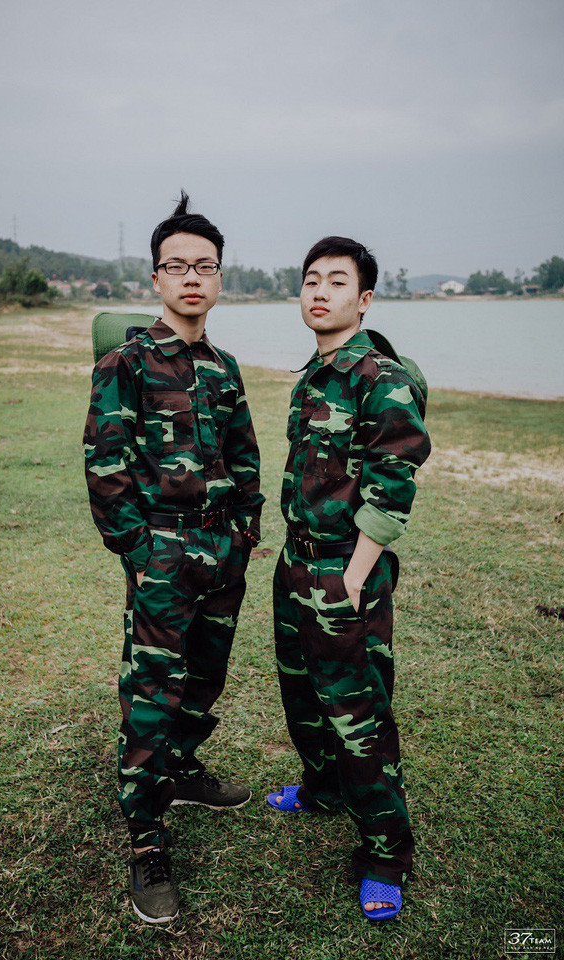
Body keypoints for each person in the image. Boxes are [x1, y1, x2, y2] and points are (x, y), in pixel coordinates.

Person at [83, 191, 264, 924]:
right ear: (156, 278)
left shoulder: (224, 367)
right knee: (153, 691)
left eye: (205, 265)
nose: (192, 277)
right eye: (177, 265)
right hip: (161, 550)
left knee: (205, 675)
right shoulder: (126, 362)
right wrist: (138, 549)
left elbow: (245, 456)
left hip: (222, 550)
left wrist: (245, 531)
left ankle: (183, 769)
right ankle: (147, 838)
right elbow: (105, 466)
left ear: (219, 277)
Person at [267, 236, 431, 921]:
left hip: (344, 570)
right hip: (296, 563)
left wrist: (355, 577)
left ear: (364, 300)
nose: (319, 291)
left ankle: (385, 855)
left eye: (337, 281)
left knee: (358, 715)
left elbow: (394, 484)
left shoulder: (379, 376)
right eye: (311, 279)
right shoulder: (316, 372)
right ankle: (322, 788)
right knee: (303, 694)